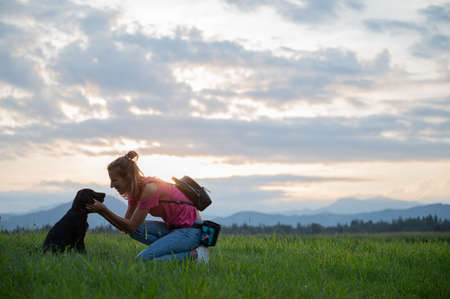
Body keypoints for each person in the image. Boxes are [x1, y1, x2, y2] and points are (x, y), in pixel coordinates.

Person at [86, 151, 209, 263]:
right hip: (174, 229)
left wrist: (103, 210)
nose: (111, 185)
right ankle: (170, 247)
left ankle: (195, 255)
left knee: (143, 261)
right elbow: (127, 227)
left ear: (128, 177)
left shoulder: (149, 189)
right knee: (134, 232)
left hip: (191, 232)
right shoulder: (135, 190)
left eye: (115, 180)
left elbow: (130, 225)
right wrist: (101, 211)